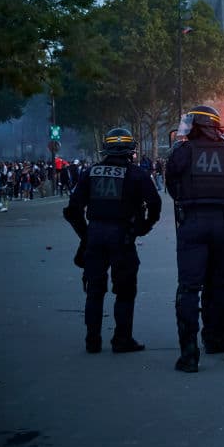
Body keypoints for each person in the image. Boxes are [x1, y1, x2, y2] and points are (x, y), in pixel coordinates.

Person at [165, 106, 224, 372]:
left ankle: (189, 354)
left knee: (189, 288)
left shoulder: (182, 153)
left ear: (194, 126)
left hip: (192, 224)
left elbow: (172, 187)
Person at [63, 128, 161, 354]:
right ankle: (122, 339)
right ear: (131, 151)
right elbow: (155, 204)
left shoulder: (90, 172)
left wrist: (86, 235)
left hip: (95, 234)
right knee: (125, 290)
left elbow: (72, 209)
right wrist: (142, 228)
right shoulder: (137, 174)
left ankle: (92, 340)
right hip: (123, 236)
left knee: (95, 290)